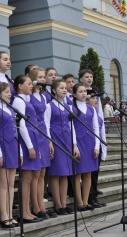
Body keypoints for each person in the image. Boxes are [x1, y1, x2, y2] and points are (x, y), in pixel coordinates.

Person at [45, 80, 80, 215]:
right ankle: (58, 204)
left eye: (66, 88)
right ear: (54, 90)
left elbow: (72, 127)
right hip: (55, 139)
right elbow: (47, 125)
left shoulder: (69, 107)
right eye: (61, 88)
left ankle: (64, 204)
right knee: (55, 173)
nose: (64, 90)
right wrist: (49, 142)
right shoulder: (49, 106)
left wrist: (75, 145)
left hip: (67, 139)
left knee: (65, 173)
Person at [0, 82, 20, 228]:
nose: (10, 94)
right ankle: (3, 215)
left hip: (12, 147)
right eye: (7, 91)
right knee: (3, 183)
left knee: (11, 183)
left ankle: (10, 213)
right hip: (3, 147)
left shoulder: (9, 109)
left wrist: (19, 151)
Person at [12, 75, 42, 223]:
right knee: (26, 178)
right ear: (19, 86)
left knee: (30, 178)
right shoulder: (18, 100)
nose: (32, 86)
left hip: (32, 138)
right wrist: (30, 146)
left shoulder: (26, 99)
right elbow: (21, 124)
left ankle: (28, 210)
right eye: (28, 83)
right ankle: (23, 212)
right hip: (26, 140)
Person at [28, 68, 57, 218]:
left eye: (43, 77)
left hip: (43, 134)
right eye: (40, 77)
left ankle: (41, 205)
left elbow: (46, 119)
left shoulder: (44, 97)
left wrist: (49, 140)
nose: (43, 80)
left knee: (43, 172)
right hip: (34, 134)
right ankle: (35, 207)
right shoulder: (29, 97)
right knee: (36, 173)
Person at [72, 83, 100, 211]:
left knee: (88, 173)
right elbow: (71, 127)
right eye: (80, 91)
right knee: (78, 173)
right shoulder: (71, 107)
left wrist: (97, 146)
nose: (83, 93)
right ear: (74, 94)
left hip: (90, 142)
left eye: (85, 91)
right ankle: (79, 202)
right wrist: (74, 145)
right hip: (78, 142)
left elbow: (96, 128)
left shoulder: (92, 109)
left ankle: (86, 200)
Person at [87, 90, 107, 208]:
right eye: (93, 97)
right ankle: (90, 197)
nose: (96, 100)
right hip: (89, 145)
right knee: (90, 173)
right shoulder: (87, 113)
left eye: (97, 98)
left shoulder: (96, 113)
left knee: (95, 173)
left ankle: (94, 195)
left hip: (97, 144)